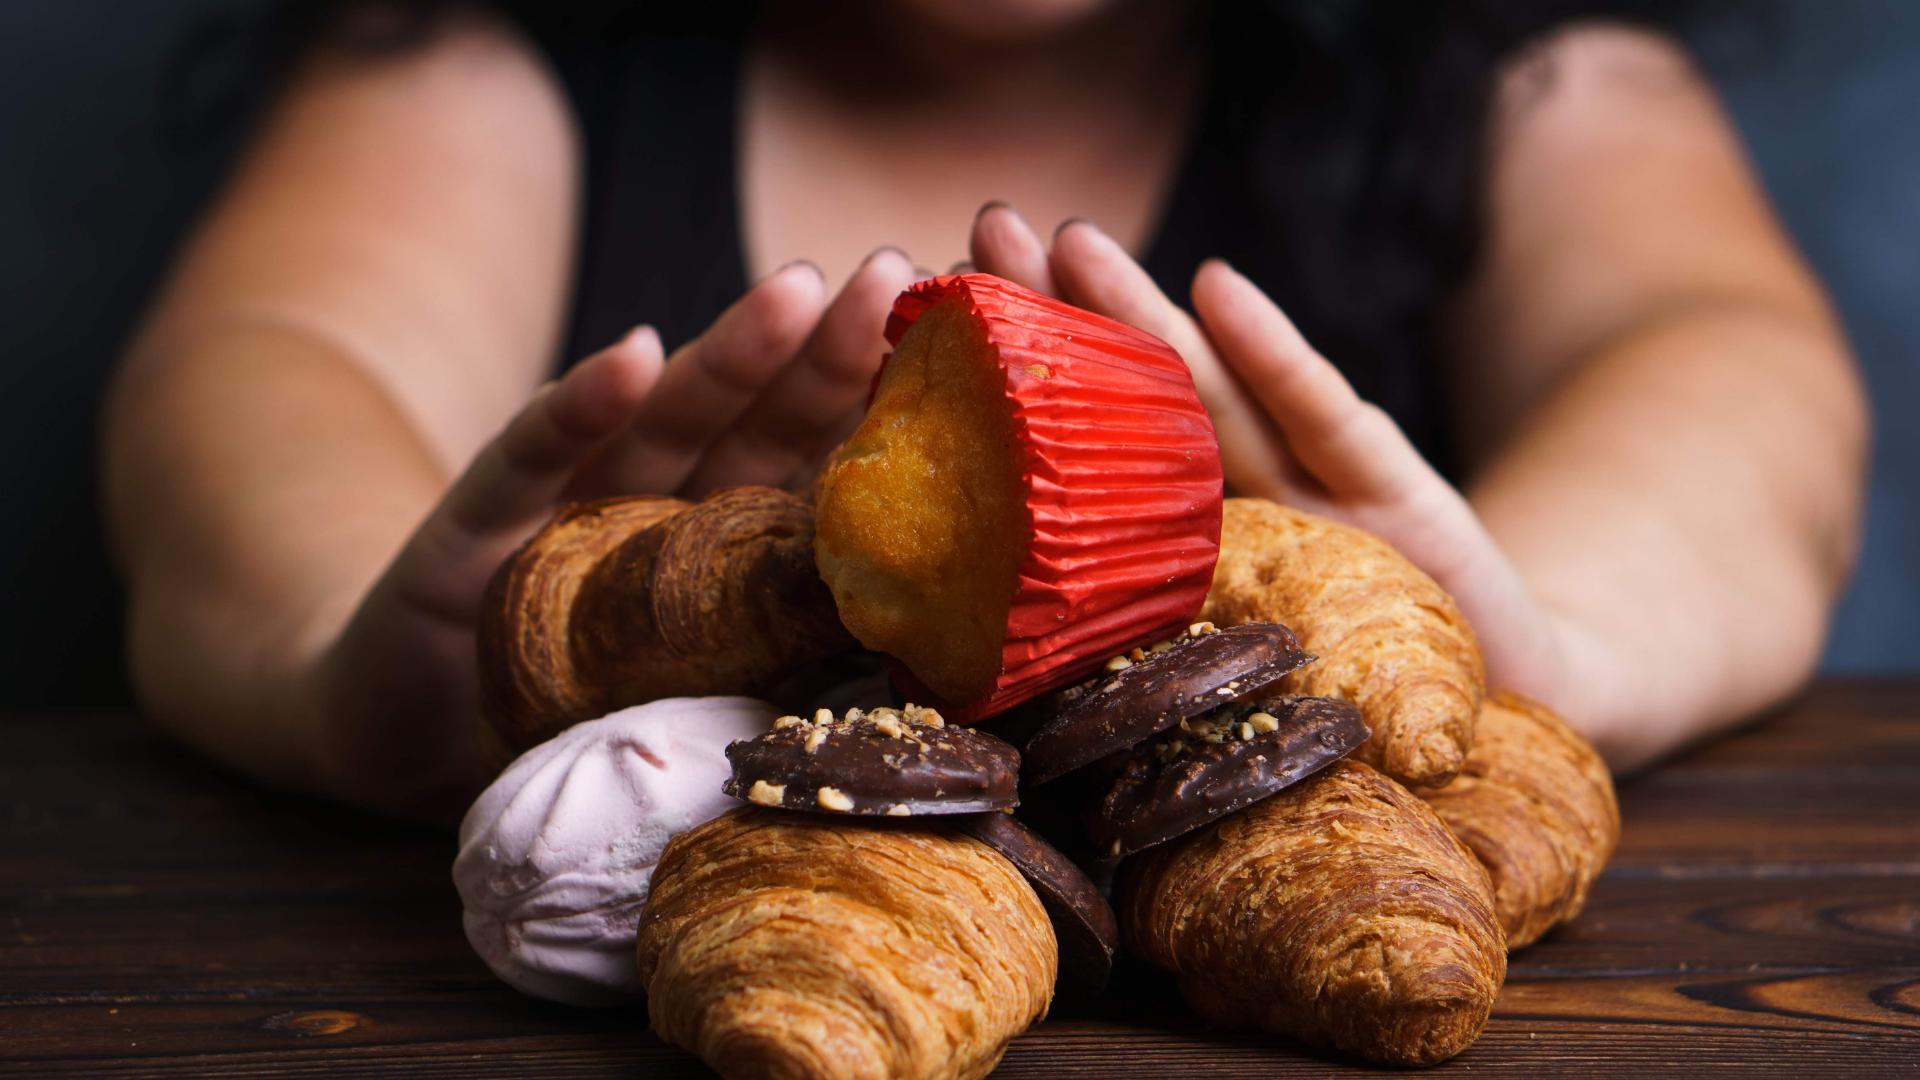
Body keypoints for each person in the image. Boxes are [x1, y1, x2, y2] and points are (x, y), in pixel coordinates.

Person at [104, 0, 1867, 824]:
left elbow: (1726, 365)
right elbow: (260, 368)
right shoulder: (481, 66)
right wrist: (345, 646)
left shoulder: (1522, 78)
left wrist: (1543, 628)